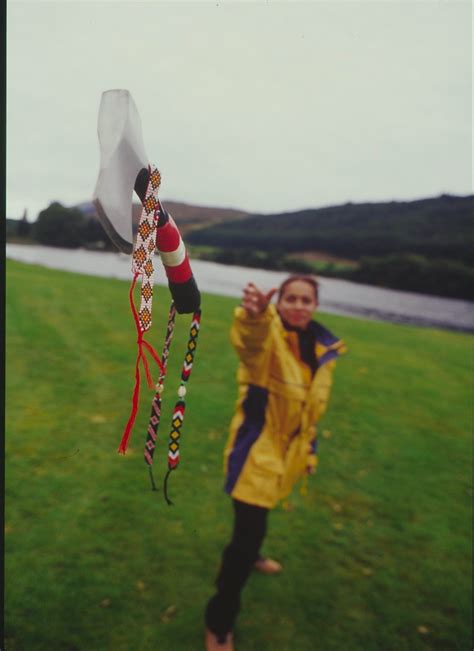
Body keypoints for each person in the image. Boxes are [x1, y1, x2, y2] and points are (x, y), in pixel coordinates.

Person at [204, 275, 346, 651]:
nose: (299, 306)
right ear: (279, 303)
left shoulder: (321, 350)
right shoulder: (268, 341)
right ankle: (219, 623)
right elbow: (249, 341)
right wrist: (253, 317)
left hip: (285, 459)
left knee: (256, 526)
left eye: (306, 300)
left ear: (315, 306)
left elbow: (308, 415)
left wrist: (309, 452)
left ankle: (255, 554)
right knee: (242, 544)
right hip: (254, 456)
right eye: (292, 299)